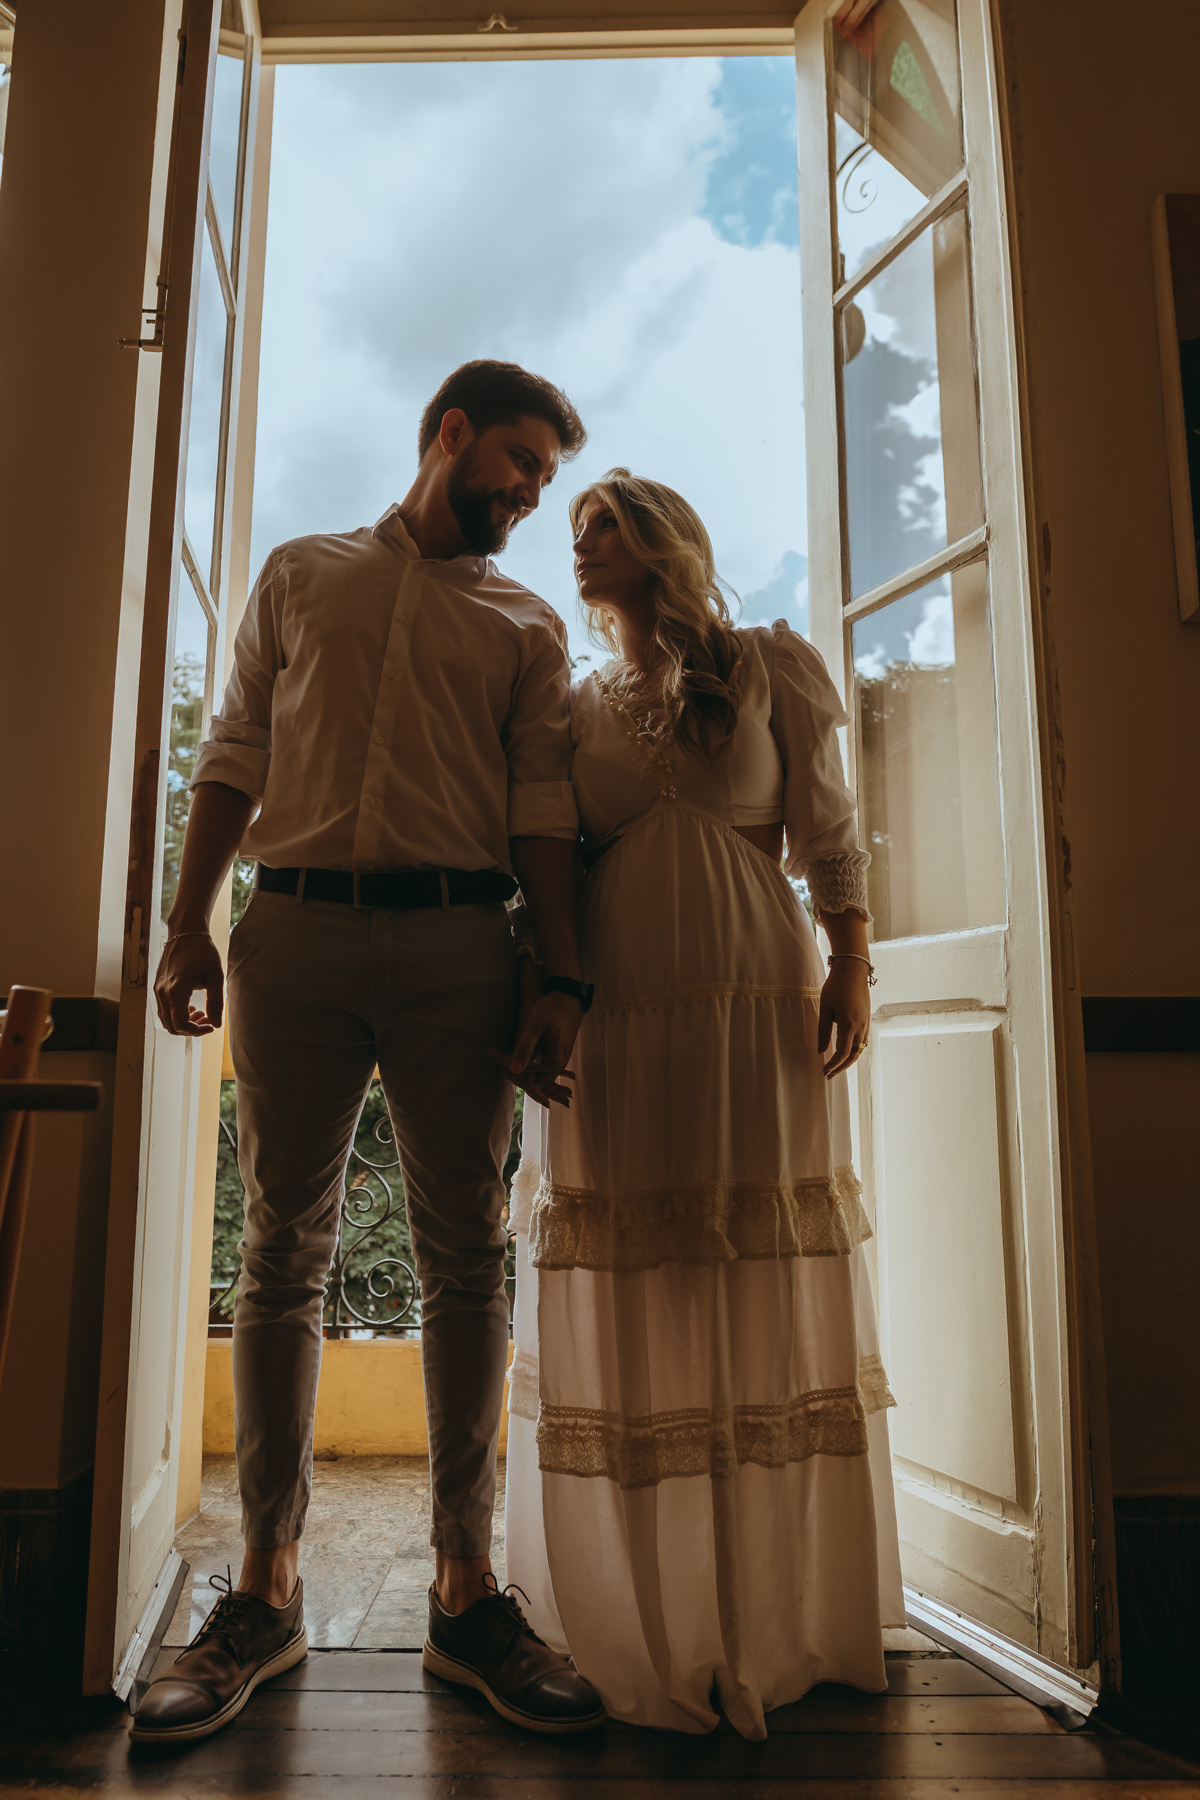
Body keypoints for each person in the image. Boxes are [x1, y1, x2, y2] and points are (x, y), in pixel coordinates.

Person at [134, 361, 606, 1743]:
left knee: (467, 1255)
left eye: (545, 478)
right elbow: (231, 754)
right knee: (283, 1251)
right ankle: (265, 1594)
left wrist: (562, 975)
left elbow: (537, 810)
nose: (529, 495)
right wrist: (189, 927)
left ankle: (467, 1596)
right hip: (296, 936)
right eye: (518, 462)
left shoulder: (525, 624)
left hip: (467, 945)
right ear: (448, 434)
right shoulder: (299, 575)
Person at [501, 469, 904, 1739]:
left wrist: (852, 958)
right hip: (624, 1004)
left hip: (751, 993)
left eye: (602, 526)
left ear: (665, 540)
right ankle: (649, 1617)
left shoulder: (771, 664)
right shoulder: (568, 703)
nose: (582, 547)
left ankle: (776, 1619)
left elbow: (830, 827)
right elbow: (549, 858)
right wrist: (554, 992)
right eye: (574, 533)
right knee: (643, 1280)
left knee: (752, 1275)